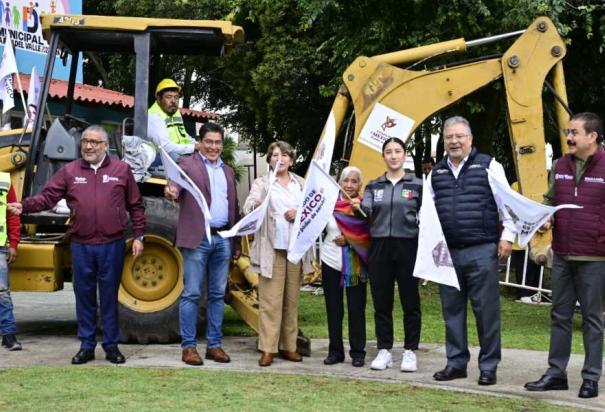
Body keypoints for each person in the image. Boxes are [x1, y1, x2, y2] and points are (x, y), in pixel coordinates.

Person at [8, 125, 145, 364]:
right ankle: (87, 346)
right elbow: (48, 196)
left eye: (94, 142)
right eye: (85, 142)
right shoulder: (70, 171)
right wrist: (24, 206)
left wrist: (140, 236)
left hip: (112, 244)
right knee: (84, 296)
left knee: (109, 296)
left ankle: (111, 346)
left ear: (105, 145)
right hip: (81, 245)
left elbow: (135, 205)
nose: (89, 146)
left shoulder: (121, 170)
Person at [525, 112, 605, 399]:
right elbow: (550, 200)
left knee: (593, 319)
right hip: (561, 254)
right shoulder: (559, 164)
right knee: (559, 316)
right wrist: (545, 218)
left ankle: (591, 377)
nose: (568, 137)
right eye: (567, 131)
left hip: (595, 256)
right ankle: (556, 373)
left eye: (574, 132)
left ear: (592, 136)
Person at [429, 116, 513, 386]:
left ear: (470, 138)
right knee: (452, 312)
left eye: (459, 136)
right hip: (448, 254)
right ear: (444, 142)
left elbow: (507, 205)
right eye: (449, 137)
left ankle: (488, 366)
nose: (454, 141)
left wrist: (508, 237)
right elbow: (428, 215)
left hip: (481, 250)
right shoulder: (436, 172)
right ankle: (456, 363)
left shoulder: (489, 166)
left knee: (486, 312)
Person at [165, 122, 240, 366]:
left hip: (222, 238)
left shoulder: (228, 171)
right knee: (192, 293)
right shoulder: (186, 164)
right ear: (200, 143)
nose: (213, 147)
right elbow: (174, 185)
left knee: (218, 294)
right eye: (209, 142)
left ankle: (214, 346)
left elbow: (233, 208)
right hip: (197, 238)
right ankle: (188, 347)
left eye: (218, 142)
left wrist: (235, 244)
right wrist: (172, 190)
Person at [351, 137, 422, 372]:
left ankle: (410, 351)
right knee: (382, 301)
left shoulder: (417, 184)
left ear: (405, 155)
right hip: (380, 246)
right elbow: (366, 211)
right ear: (383, 156)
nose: (393, 156)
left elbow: (428, 216)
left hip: (408, 246)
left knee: (410, 300)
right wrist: (358, 207)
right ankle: (384, 350)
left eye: (397, 151)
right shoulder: (374, 186)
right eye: (388, 152)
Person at [243, 141, 314, 367]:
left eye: (284, 155)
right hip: (271, 250)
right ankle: (267, 349)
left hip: (295, 251)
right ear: (269, 160)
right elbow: (248, 207)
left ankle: (289, 347)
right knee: (271, 302)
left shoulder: (301, 183)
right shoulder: (262, 183)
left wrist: (300, 212)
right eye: (275, 155)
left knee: (290, 302)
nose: (279, 159)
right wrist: (259, 204)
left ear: (291, 161)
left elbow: (313, 211)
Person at [321, 166, 370, 367]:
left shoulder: (364, 207)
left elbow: (370, 236)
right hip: (330, 261)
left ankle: (358, 352)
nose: (349, 185)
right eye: (346, 180)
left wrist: (350, 240)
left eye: (354, 181)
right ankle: (335, 351)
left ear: (360, 184)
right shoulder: (328, 205)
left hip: (355, 264)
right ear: (339, 183)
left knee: (356, 309)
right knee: (334, 309)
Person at [147, 78, 199, 160]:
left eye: (176, 97)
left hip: (178, 153)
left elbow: (183, 134)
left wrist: (199, 144)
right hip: (158, 157)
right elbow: (165, 147)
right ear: (159, 99)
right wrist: (193, 147)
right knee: (177, 158)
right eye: (168, 97)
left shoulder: (175, 111)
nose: (173, 101)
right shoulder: (153, 115)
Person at [1, 174, 21, 351]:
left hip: (0, 246)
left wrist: (13, 243)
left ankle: (8, 335)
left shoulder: (4, 180)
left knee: (3, 293)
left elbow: (13, 214)